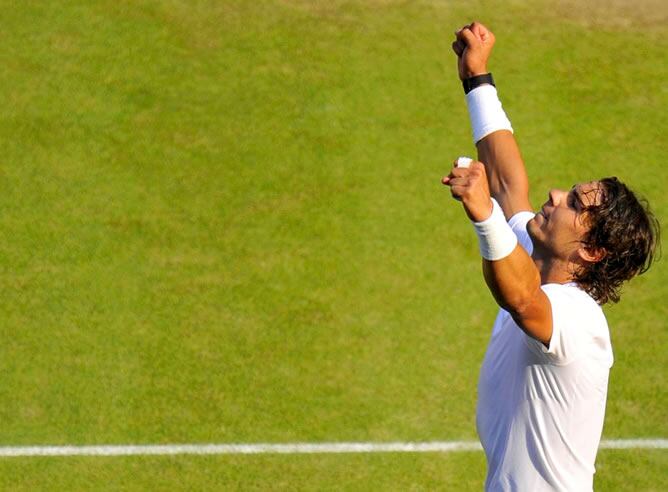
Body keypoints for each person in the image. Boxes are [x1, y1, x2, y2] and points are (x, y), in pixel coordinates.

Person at [441, 21, 659, 491]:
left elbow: (521, 299)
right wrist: (477, 79)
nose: (557, 194)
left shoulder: (578, 319)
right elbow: (504, 183)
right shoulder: (533, 257)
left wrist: (484, 218)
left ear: (591, 251)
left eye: (576, 204)